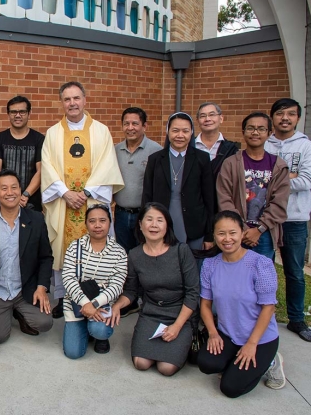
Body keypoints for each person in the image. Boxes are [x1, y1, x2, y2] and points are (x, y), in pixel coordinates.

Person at [41, 81, 124, 319]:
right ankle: (63, 299)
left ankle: (98, 297)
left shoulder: (100, 131)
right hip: (63, 204)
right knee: (63, 250)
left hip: (92, 203)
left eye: (76, 98)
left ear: (85, 100)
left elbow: (107, 164)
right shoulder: (53, 133)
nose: (72, 103)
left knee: (97, 249)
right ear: (62, 103)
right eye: (67, 99)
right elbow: (47, 166)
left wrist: (86, 193)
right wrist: (65, 193)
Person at [197, 211, 284, 397]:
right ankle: (236, 360)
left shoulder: (260, 264)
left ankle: (271, 362)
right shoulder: (210, 265)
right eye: (221, 233)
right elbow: (205, 304)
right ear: (214, 235)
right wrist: (213, 333)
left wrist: (252, 344)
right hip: (228, 334)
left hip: (260, 339)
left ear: (242, 232)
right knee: (206, 363)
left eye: (232, 233)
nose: (227, 239)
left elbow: (268, 308)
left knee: (230, 388)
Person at [110, 203, 200, 376]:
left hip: (179, 314)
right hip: (151, 313)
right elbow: (131, 291)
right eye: (149, 219)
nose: (154, 225)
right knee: (141, 363)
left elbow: (193, 293)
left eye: (160, 220)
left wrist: (177, 326)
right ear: (140, 224)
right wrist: (117, 305)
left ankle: (185, 339)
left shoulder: (181, 251)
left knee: (166, 368)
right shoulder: (135, 255)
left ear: (167, 225)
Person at [0, 169, 53, 342]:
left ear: (20, 190)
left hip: (24, 289)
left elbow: (46, 257)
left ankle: (21, 312)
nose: (10, 192)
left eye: (14, 187)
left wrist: (41, 287)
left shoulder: (36, 220)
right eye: (4, 188)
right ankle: (5, 311)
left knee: (45, 322)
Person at [265, 98, 311, 342]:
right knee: (265, 270)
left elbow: (307, 180)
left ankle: (296, 318)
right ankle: (265, 315)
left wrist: (274, 180)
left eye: (291, 114)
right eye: (280, 113)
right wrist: (287, 177)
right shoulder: (265, 143)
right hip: (267, 219)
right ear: (272, 117)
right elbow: (255, 179)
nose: (285, 118)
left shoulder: (305, 146)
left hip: (294, 220)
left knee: (294, 271)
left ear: (297, 118)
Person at [216, 112, 290, 260]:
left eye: (261, 129)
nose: (255, 132)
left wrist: (259, 229)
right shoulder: (230, 163)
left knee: (261, 276)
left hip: (264, 234)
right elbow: (224, 198)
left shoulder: (278, 165)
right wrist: (241, 228)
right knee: (234, 275)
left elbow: (279, 202)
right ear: (243, 132)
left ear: (269, 133)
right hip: (234, 233)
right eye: (251, 128)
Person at [142, 112, 215, 252]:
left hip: (194, 226)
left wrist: (209, 235)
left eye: (185, 131)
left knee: (192, 270)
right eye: (175, 130)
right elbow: (147, 196)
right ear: (168, 131)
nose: (180, 135)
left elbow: (209, 200)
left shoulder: (202, 159)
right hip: (160, 226)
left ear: (192, 132)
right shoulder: (155, 159)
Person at [62, 204, 127, 359]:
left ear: (110, 223)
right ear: (86, 223)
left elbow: (117, 285)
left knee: (100, 330)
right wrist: (85, 304)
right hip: (77, 302)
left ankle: (99, 336)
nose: (97, 225)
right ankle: (84, 327)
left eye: (102, 220)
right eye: (92, 221)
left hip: (102, 303)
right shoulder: (75, 247)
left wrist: (94, 304)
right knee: (73, 353)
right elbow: (68, 277)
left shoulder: (119, 252)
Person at [113, 107, 161, 317]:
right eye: (127, 123)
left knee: (147, 256)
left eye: (135, 123)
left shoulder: (155, 150)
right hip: (121, 213)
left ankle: (148, 299)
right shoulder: (114, 150)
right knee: (124, 258)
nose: (130, 128)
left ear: (144, 126)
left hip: (145, 216)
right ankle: (129, 298)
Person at [0, 96, 44, 211]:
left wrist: (24, 195)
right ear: (8, 114)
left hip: (31, 202)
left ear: (29, 114)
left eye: (22, 112)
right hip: (5, 201)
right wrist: (10, 194)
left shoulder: (39, 139)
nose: (18, 115)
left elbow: (41, 170)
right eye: (13, 112)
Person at [195, 102, 240, 181]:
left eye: (212, 115)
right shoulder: (189, 146)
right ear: (197, 121)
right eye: (202, 116)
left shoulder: (231, 149)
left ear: (221, 118)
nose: (207, 119)